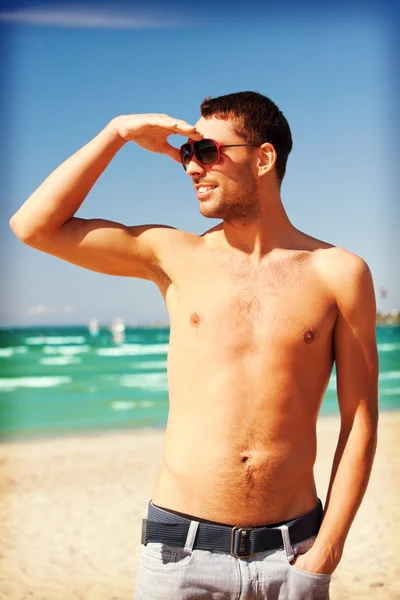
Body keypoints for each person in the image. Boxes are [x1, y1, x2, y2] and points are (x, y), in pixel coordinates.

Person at [10, 91, 379, 599]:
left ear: (264, 158)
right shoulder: (174, 255)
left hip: (294, 555)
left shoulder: (339, 273)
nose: (191, 168)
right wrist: (116, 132)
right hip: (179, 558)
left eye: (207, 152)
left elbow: (360, 418)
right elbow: (32, 227)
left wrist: (326, 553)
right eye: (187, 154)